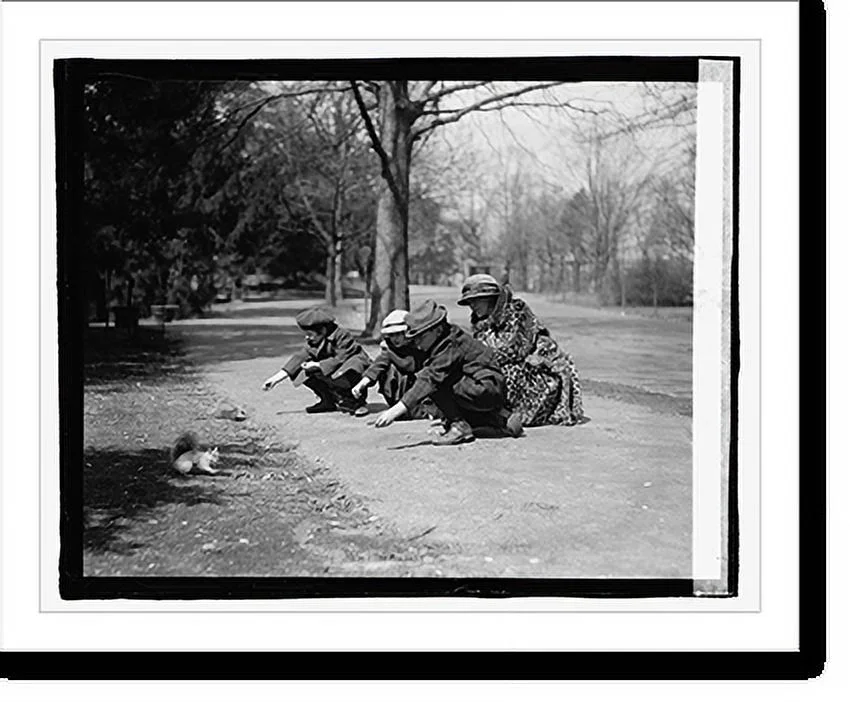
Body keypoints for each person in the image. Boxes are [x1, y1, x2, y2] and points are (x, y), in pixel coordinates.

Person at [373, 299, 523, 445]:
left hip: (487, 389)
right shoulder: (443, 338)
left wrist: (395, 411)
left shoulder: (450, 343)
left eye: (420, 337)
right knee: (437, 380)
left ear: (437, 330)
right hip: (480, 388)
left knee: (436, 382)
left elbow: (429, 378)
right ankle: (499, 418)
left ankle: (459, 426)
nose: (417, 343)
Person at [458, 273, 585, 427]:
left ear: (489, 298)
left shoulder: (516, 313)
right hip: (508, 367)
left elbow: (515, 351)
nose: (472, 306)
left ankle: (506, 415)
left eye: (475, 300)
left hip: (539, 373)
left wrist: (476, 361)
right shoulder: (481, 323)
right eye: (470, 302)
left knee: (496, 377)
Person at [261, 307, 371, 416]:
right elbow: (299, 358)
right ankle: (327, 401)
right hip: (332, 367)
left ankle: (358, 403)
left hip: (351, 367)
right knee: (301, 372)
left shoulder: (342, 336)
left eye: (310, 334)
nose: (307, 338)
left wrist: (318, 365)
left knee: (350, 369)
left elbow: (340, 359)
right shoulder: (315, 340)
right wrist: (275, 379)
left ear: (322, 331)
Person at [350, 309, 436, 420]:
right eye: (391, 335)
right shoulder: (389, 348)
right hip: (402, 390)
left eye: (398, 334)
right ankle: (400, 407)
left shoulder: (420, 345)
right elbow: (378, 366)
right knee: (390, 370)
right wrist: (361, 384)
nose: (394, 339)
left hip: (422, 388)